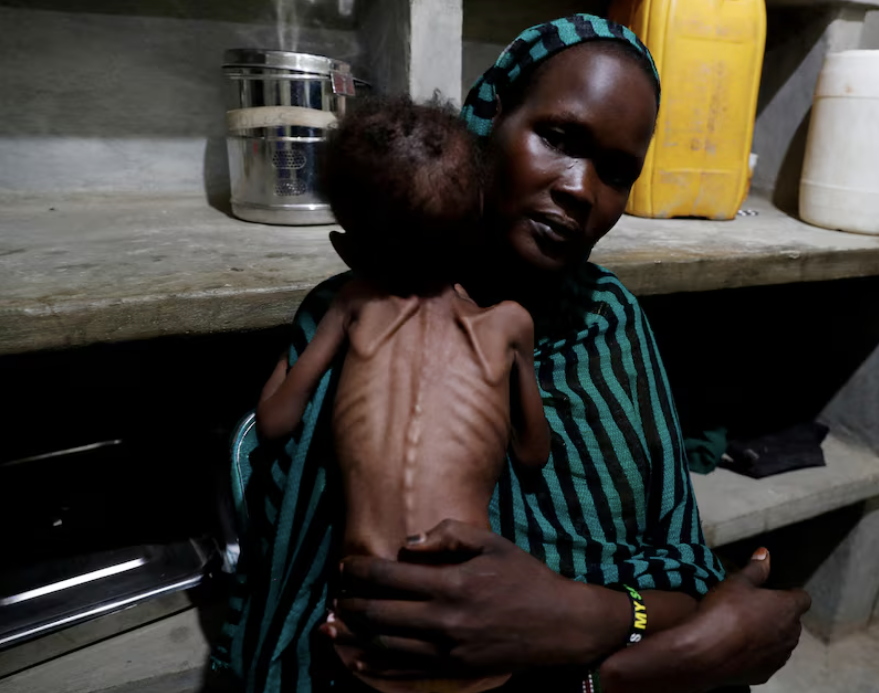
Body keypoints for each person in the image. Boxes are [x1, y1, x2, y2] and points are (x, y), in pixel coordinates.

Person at [211, 14, 809, 693]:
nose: (581, 190)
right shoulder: (356, 309)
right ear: (487, 120)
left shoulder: (609, 322)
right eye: (557, 137)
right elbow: (296, 587)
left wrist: (585, 615)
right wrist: (641, 661)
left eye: (616, 172)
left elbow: (678, 564)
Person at [253, 94, 551, 693]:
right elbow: (532, 454)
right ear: (474, 239)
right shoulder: (508, 325)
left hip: (368, 637)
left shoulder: (352, 306)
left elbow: (274, 422)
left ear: (347, 251)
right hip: (475, 637)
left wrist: (294, 351)